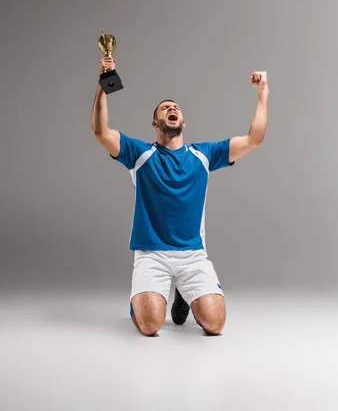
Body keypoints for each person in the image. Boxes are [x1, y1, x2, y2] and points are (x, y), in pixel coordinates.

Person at [91, 57, 269, 336]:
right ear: (155, 122)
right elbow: (101, 132)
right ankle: (141, 301)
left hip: (192, 256)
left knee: (215, 324)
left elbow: (254, 139)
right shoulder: (140, 154)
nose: (171, 108)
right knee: (150, 326)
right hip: (152, 255)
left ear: (183, 121)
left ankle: (184, 295)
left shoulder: (203, 156)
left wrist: (263, 93)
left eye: (175, 107)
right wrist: (104, 84)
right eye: (165, 108)